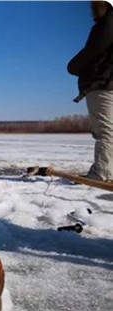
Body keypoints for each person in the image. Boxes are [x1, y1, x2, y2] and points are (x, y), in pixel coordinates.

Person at [68, 1, 113, 182]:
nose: (91, 10)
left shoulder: (108, 24)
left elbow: (93, 50)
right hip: (107, 84)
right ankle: (107, 171)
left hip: (103, 85)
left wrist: (73, 66)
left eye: (95, 5)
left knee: (105, 132)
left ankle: (101, 174)